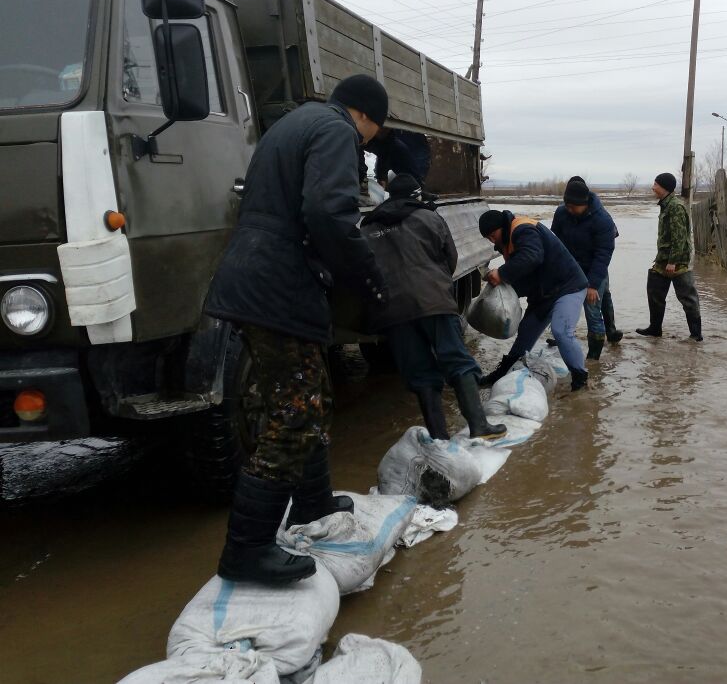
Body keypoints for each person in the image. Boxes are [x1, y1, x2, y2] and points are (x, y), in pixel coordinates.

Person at [204, 74, 391, 584]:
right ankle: (245, 550)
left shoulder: (295, 122)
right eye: (375, 134)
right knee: (293, 415)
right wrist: (370, 280)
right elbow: (329, 214)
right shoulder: (337, 132)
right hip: (276, 286)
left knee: (315, 397)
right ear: (367, 117)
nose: (369, 145)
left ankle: (311, 502)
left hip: (260, 278)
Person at [361, 173, 506, 441]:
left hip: (392, 312)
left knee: (419, 372)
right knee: (457, 360)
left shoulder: (367, 227)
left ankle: (439, 438)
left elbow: (363, 269)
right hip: (433, 303)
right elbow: (450, 259)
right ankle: (479, 426)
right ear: (416, 194)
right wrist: (436, 283)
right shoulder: (429, 217)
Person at [477, 209, 590, 391]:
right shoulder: (507, 240)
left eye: (492, 235)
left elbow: (532, 257)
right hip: (544, 293)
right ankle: (503, 372)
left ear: (500, 228)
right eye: (488, 238)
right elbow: (526, 276)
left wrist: (502, 273)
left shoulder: (523, 230)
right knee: (525, 332)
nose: (492, 240)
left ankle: (580, 379)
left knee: (561, 331)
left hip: (569, 287)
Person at [550, 177, 619, 360]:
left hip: (594, 270)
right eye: (567, 206)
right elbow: (554, 242)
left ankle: (593, 359)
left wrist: (593, 285)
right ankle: (562, 336)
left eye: (574, 207)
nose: (570, 210)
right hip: (570, 269)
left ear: (585, 203)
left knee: (593, 310)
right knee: (562, 304)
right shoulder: (562, 212)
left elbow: (604, 253)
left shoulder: (602, 219)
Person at [636, 173, 703, 340]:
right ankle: (655, 329)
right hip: (662, 259)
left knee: (687, 297)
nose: (653, 187)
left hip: (676, 262)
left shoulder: (675, 207)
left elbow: (679, 237)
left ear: (664, 187)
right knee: (654, 290)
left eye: (656, 184)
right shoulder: (666, 205)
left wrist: (673, 261)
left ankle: (696, 335)